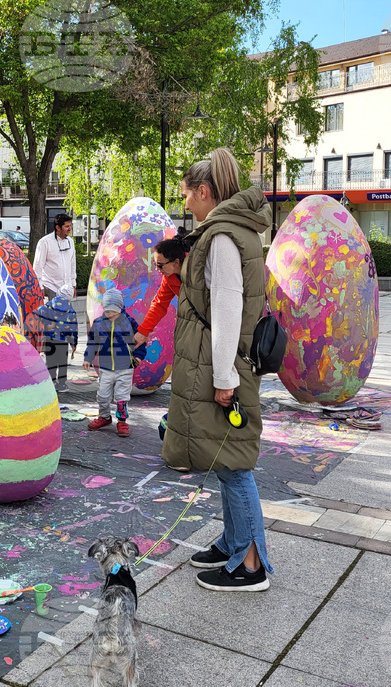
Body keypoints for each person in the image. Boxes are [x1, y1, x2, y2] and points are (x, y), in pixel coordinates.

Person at [162, 147, 273, 593]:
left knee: (234, 465)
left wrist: (224, 380)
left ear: (204, 191)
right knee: (225, 460)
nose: (184, 201)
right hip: (218, 361)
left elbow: (227, 312)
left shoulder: (223, 238)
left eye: (187, 193)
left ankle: (250, 564)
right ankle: (233, 542)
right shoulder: (230, 231)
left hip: (221, 366)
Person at [83, 288, 146, 438]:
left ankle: (122, 421)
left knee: (121, 397)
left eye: (113, 311)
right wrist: (88, 358)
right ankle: (104, 417)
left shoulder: (129, 322)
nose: (109, 314)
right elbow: (92, 343)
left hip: (125, 368)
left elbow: (140, 342)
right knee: (103, 396)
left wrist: (138, 356)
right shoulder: (99, 323)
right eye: (107, 311)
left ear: (120, 309)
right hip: (106, 368)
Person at [133, 236, 188, 347]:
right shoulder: (169, 277)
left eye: (160, 265)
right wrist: (143, 332)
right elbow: (159, 304)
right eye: (155, 264)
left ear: (176, 263)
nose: (157, 269)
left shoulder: (199, 269)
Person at [32, 284, 79, 392]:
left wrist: (46, 324)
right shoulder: (71, 310)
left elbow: (37, 313)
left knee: (51, 362)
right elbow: (73, 329)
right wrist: (74, 344)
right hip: (63, 341)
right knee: (62, 363)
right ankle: (62, 384)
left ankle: (52, 383)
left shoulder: (49, 305)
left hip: (50, 339)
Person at [33, 213, 77, 298]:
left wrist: (73, 284)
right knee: (53, 307)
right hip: (50, 287)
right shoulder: (45, 242)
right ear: (58, 227)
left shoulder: (70, 242)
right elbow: (38, 266)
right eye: (67, 226)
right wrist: (39, 286)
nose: (70, 229)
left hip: (66, 289)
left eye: (70, 226)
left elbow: (72, 264)